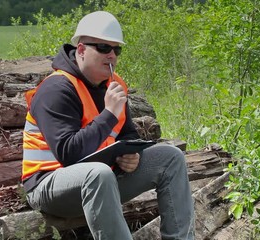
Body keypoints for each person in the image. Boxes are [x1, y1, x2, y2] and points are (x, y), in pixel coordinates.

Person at [21, 11, 194, 240]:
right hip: (48, 186)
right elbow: (68, 154)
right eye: (103, 48)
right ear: (81, 49)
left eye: (117, 50)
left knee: (170, 157)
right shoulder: (56, 89)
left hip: (102, 180)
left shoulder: (114, 84)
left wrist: (132, 156)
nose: (111, 55)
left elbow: (128, 134)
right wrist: (109, 114)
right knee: (98, 173)